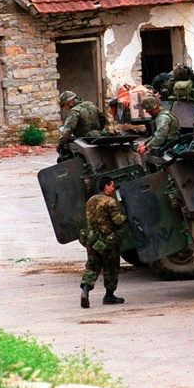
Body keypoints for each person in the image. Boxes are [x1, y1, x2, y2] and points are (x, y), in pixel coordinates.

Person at [79, 176, 126, 308]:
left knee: (92, 266)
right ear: (106, 186)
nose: (113, 188)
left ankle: (85, 291)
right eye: (112, 185)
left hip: (92, 240)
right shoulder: (110, 202)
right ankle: (109, 295)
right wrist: (127, 217)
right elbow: (117, 220)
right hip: (107, 241)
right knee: (111, 268)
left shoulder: (91, 200)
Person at [57, 91, 105, 158]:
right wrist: (99, 130)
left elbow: (68, 130)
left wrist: (60, 144)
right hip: (98, 136)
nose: (65, 108)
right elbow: (103, 119)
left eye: (64, 105)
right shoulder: (91, 105)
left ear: (69, 103)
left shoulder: (74, 111)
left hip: (84, 140)